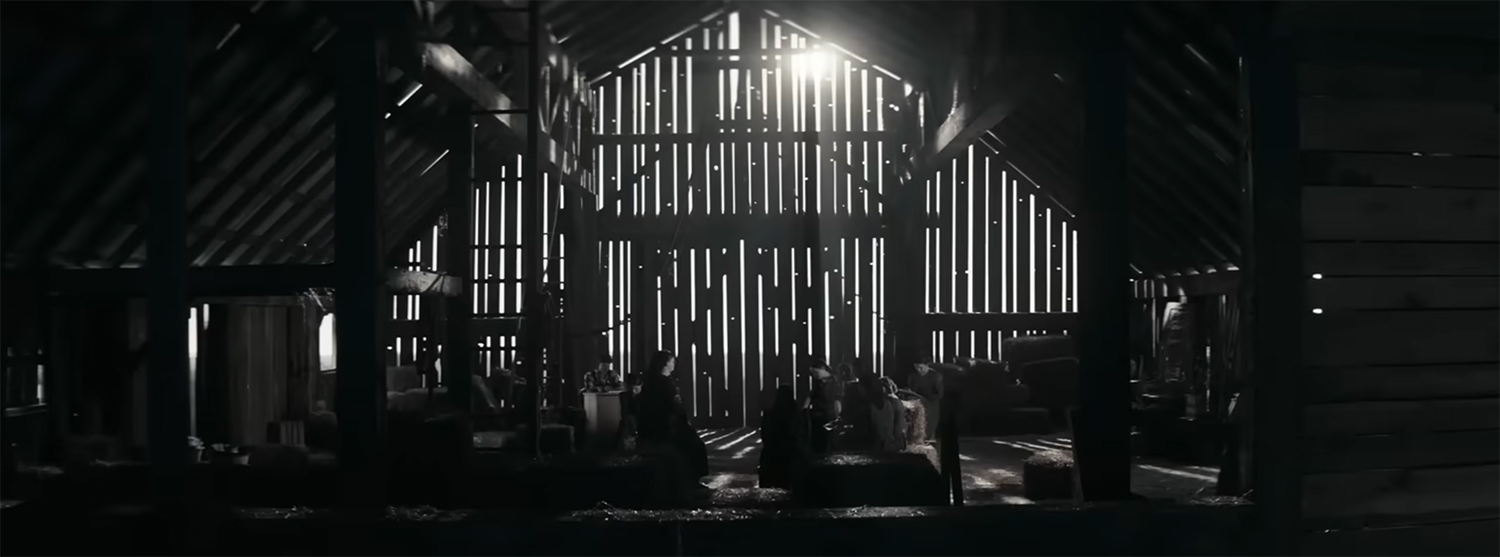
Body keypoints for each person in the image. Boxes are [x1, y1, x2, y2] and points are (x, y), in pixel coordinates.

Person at [637, 350, 709, 484]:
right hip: (665, 427)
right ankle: (692, 481)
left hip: (650, 427)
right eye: (672, 361)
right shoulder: (666, 384)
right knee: (696, 446)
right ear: (666, 364)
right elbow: (675, 407)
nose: (674, 363)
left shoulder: (650, 382)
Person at [758, 385, 806, 488]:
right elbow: (799, 432)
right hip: (789, 454)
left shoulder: (770, 414)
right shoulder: (795, 413)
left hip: (772, 455)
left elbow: (765, 434)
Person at [802, 358, 843, 454]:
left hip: (829, 415)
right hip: (819, 416)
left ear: (823, 369)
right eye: (812, 373)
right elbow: (811, 395)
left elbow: (837, 401)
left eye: (816, 372)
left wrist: (838, 415)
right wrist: (805, 408)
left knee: (829, 442)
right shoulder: (818, 383)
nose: (814, 375)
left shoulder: (835, 382)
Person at [909, 361, 945, 443]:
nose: (919, 370)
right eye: (917, 367)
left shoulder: (936, 376)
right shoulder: (913, 376)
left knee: (929, 431)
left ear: (927, 365)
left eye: (921, 368)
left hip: (931, 406)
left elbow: (940, 395)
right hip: (917, 406)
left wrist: (927, 397)